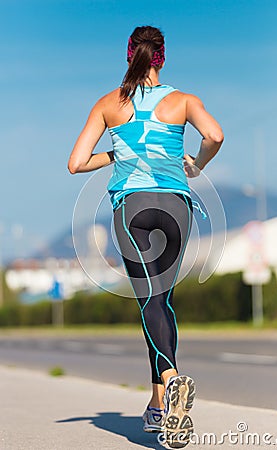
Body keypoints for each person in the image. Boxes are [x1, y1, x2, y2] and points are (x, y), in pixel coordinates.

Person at [68, 25, 223, 448]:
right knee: (162, 301)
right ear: (163, 57)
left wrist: (115, 154)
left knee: (149, 301)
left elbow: (76, 163)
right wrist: (197, 165)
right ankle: (160, 407)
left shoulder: (109, 104)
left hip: (133, 209)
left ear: (129, 56)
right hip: (176, 207)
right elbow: (215, 135)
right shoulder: (184, 100)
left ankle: (171, 379)